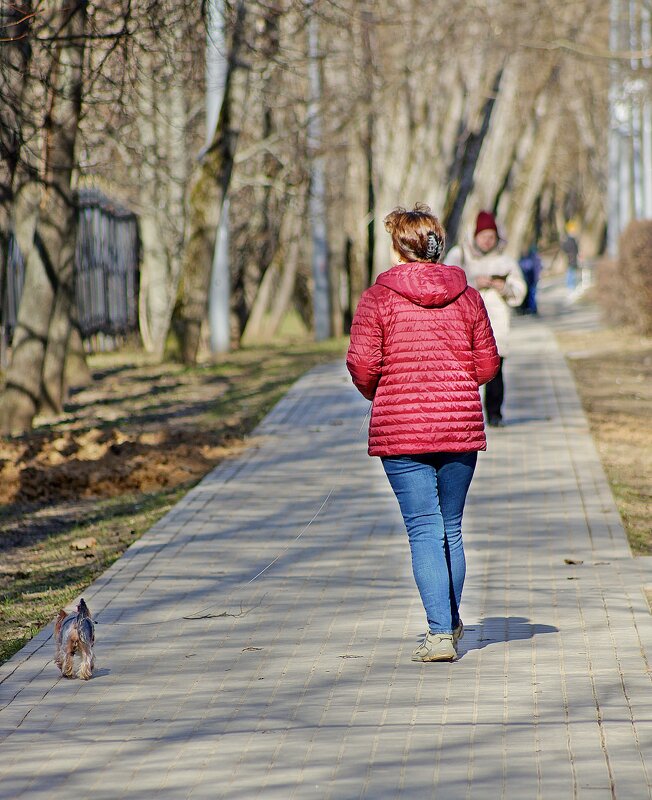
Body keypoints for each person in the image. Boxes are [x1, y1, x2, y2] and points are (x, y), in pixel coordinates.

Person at [346, 204, 500, 662]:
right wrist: (452, 387)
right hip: (459, 427)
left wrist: (384, 391)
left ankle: (438, 634)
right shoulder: (468, 296)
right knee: (450, 527)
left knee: (424, 529)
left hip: (403, 430)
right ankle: (448, 626)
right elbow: (488, 365)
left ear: (398, 247)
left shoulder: (378, 298)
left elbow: (361, 365)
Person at [444, 211, 526, 427]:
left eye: (492, 236)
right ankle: (462, 416)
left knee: (495, 372)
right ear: (475, 236)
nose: (488, 240)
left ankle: (495, 414)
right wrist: (472, 281)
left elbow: (520, 291)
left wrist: (504, 287)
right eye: (484, 236)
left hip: (496, 326)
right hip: (462, 326)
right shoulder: (458, 256)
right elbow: (445, 284)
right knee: (463, 373)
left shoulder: (505, 261)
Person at [518, 245, 543, 315]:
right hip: (527, 280)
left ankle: (533, 309)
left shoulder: (534, 258)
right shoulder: (524, 259)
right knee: (529, 295)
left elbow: (537, 269)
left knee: (532, 295)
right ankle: (528, 308)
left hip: (533, 280)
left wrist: (537, 278)